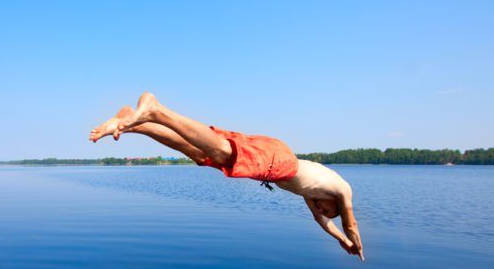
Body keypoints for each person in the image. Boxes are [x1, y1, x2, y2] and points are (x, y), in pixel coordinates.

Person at [90, 93, 364, 260]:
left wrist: (339, 240)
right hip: (278, 161)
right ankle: (156, 109)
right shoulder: (342, 190)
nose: (322, 211)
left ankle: (135, 123)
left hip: (273, 159)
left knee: (200, 155)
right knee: (221, 152)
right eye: (329, 210)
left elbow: (323, 223)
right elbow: (350, 224)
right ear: (335, 204)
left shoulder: (312, 193)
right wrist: (355, 245)